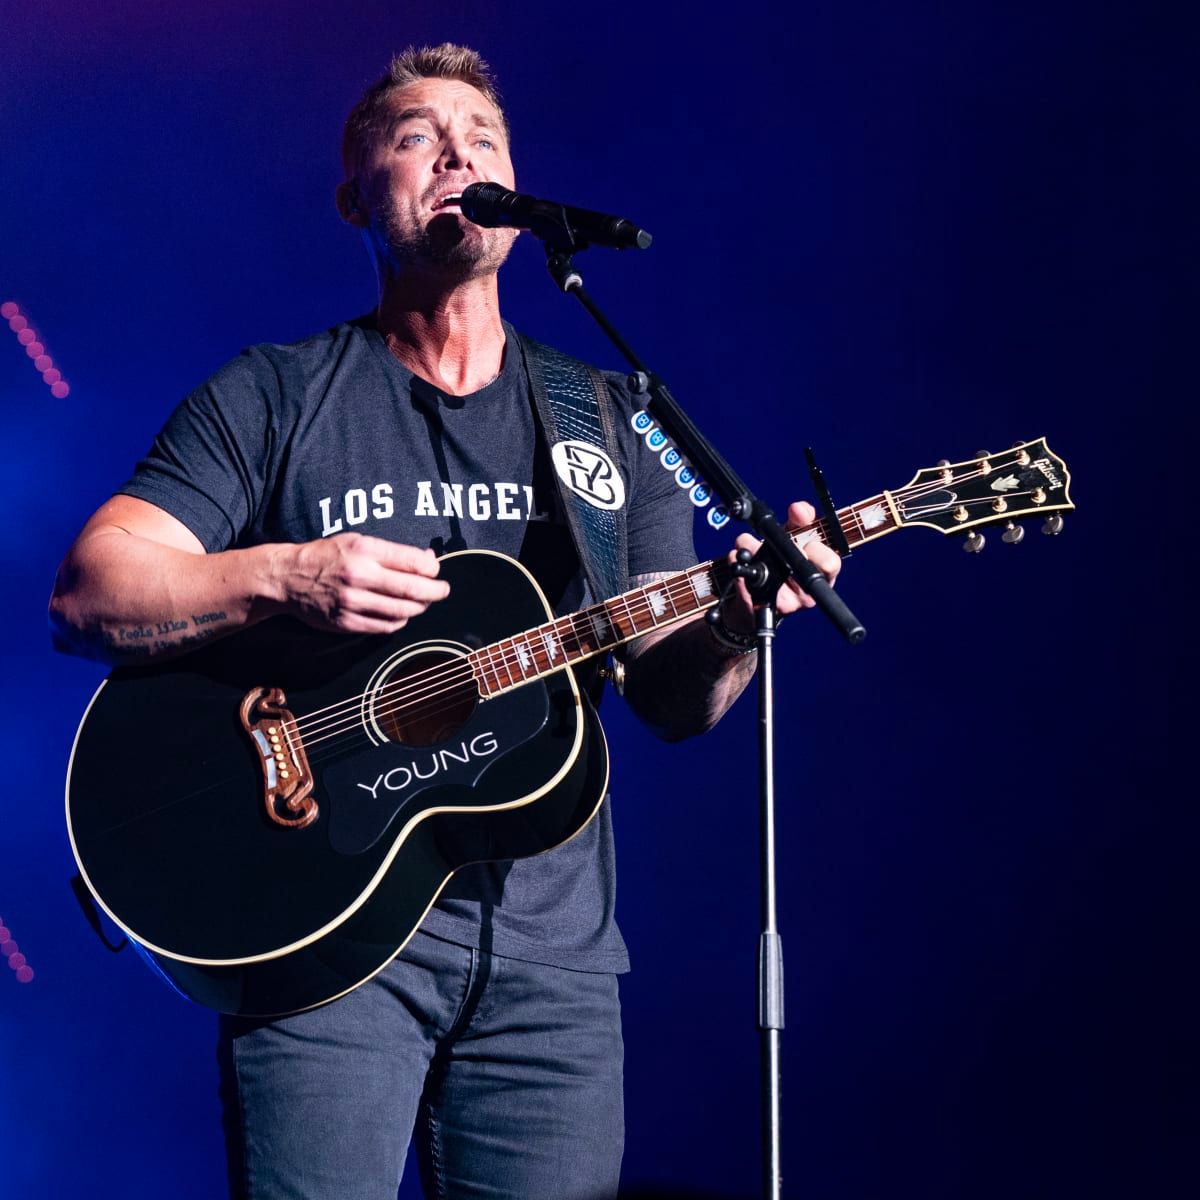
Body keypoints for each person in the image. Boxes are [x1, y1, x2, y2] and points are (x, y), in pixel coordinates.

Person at [50, 44, 841, 1200]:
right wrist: (284, 575)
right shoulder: (274, 393)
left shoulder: (612, 420)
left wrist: (735, 619)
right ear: (356, 197)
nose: (459, 151)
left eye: (483, 135)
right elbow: (90, 591)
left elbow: (672, 698)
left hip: (552, 972)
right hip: (320, 948)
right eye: (419, 136)